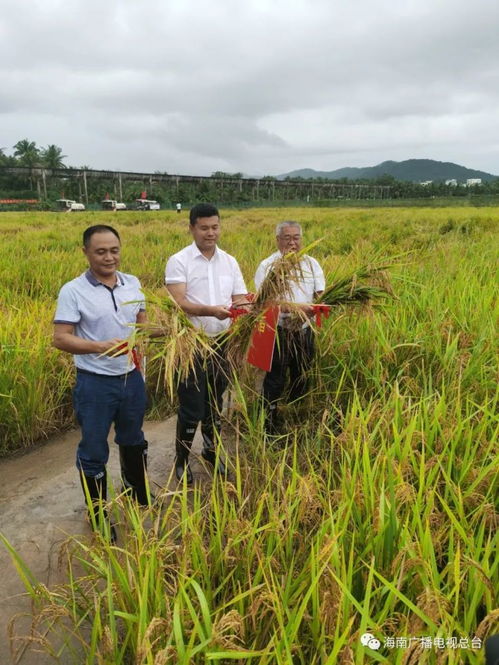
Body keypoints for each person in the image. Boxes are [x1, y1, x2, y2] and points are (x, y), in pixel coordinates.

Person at [53, 224, 151, 539]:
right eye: (100, 252)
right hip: (95, 383)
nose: (109, 257)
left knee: (133, 437)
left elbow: (143, 326)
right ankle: (98, 513)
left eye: (114, 250)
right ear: (86, 252)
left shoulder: (132, 284)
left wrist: (174, 330)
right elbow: (61, 338)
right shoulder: (73, 290)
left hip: (131, 377)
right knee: (94, 448)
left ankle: (137, 495)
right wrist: (98, 346)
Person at [165, 203, 247, 483]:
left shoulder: (230, 261)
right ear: (191, 228)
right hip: (191, 344)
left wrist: (249, 306)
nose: (210, 233)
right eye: (204, 228)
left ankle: (212, 452)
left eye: (215, 227)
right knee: (191, 407)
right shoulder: (179, 261)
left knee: (215, 402)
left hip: (222, 342)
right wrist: (212, 310)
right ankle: (182, 459)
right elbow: (180, 302)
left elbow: (239, 299)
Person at [254, 221, 325, 435]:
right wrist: (297, 308)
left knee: (301, 374)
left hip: (304, 331)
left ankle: (296, 416)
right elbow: (264, 302)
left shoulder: (312, 264)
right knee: (274, 379)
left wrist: (315, 308)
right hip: (277, 332)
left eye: (296, 237)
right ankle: (268, 423)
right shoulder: (267, 266)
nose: (292, 243)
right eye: (287, 238)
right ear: (278, 240)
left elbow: (321, 295)